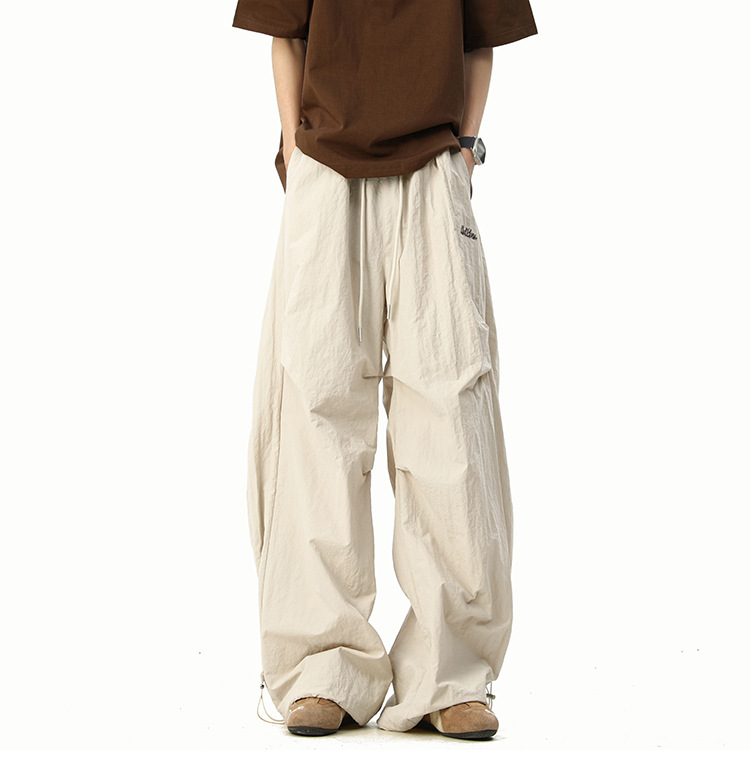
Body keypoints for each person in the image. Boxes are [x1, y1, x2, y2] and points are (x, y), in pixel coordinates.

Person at [232, 0, 537, 740]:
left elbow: (481, 40)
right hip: (324, 164)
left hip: (434, 165)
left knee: (451, 410)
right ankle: (320, 666)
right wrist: (293, 149)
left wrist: (466, 152)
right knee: (315, 405)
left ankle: (451, 673)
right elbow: (285, 35)